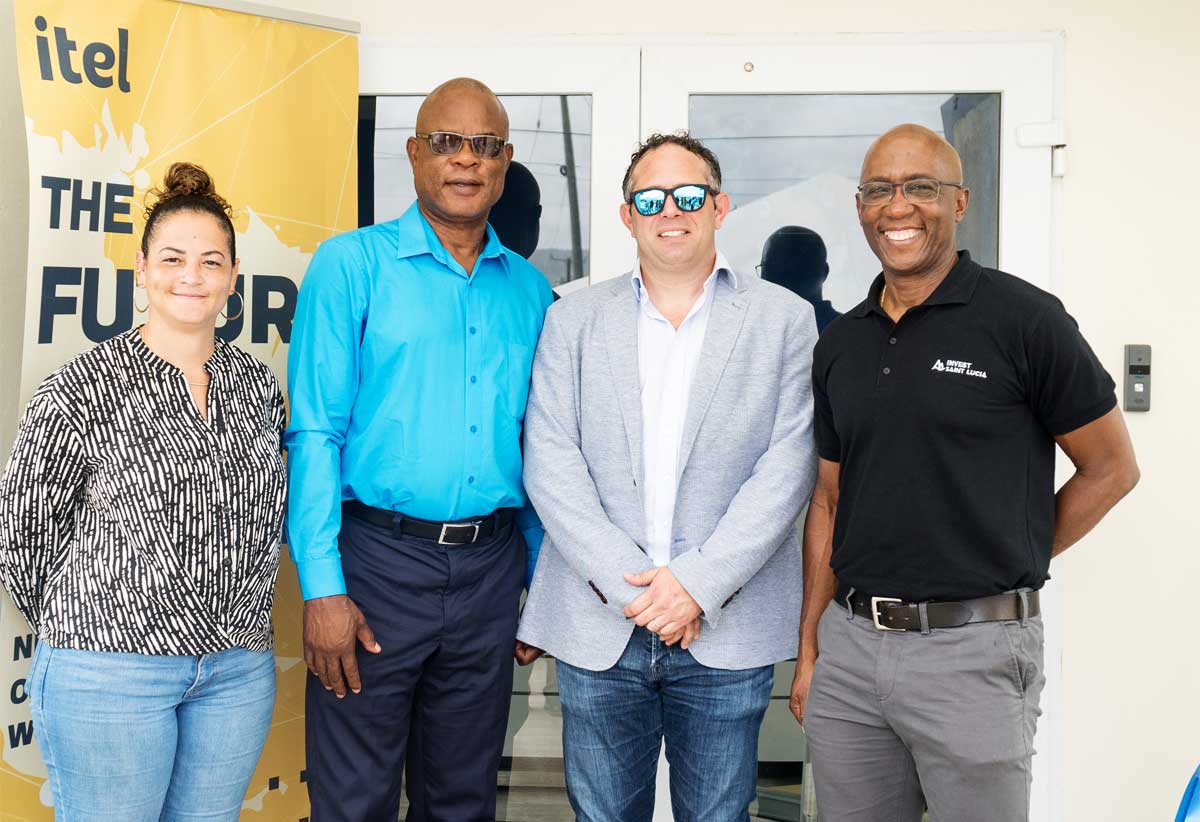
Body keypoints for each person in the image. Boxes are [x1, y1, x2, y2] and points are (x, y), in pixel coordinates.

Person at [789, 124, 1140, 822]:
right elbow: (828, 502)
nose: (899, 207)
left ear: (960, 202)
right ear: (860, 207)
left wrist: (1008, 553)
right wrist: (810, 650)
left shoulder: (1025, 321)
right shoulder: (842, 343)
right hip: (853, 652)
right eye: (880, 190)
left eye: (921, 188)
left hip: (974, 653)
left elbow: (1112, 469)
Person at [517, 133, 819, 822]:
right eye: (650, 199)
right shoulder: (572, 321)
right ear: (628, 215)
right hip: (602, 622)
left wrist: (696, 586)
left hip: (726, 625)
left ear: (719, 206)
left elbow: (789, 465)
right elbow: (551, 459)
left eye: (689, 196)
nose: (670, 211)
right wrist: (636, 588)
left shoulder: (785, 321)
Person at [286, 77, 553, 821]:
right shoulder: (351, 266)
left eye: (485, 146)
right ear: (412, 153)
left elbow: (537, 452)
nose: (466, 160)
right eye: (446, 142)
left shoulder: (531, 294)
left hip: (491, 573)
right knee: (355, 799)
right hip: (376, 568)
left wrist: (541, 584)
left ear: (503, 163)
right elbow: (314, 432)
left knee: (462, 800)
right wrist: (322, 587)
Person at [0, 162, 287, 821]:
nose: (191, 276)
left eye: (211, 261)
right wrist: (96, 623)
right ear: (142, 268)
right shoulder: (82, 388)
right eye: (173, 258)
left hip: (234, 671)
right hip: (108, 670)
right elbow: (22, 533)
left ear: (233, 277)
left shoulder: (256, 386)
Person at [758, 225, 840, 333]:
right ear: (825, 272)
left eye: (794, 269)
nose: (782, 282)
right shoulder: (853, 332)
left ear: (824, 272)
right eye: (773, 269)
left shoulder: (754, 334)